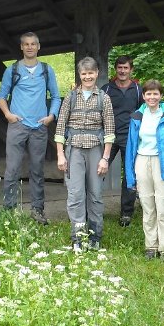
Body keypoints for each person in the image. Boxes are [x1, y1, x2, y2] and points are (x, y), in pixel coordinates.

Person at [0, 32, 61, 224]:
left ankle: (37, 210)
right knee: (12, 169)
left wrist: (51, 116)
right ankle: (9, 210)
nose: (30, 47)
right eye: (26, 44)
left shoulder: (46, 70)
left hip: (39, 127)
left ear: (38, 47)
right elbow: (2, 96)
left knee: (37, 170)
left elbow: (56, 96)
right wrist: (8, 115)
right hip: (18, 126)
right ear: (21, 47)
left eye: (33, 44)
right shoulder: (13, 69)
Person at [55, 57, 115, 252]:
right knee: (76, 196)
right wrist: (60, 155)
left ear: (97, 73)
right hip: (74, 151)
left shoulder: (104, 98)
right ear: (79, 75)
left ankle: (95, 237)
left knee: (96, 195)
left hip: (96, 151)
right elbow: (60, 128)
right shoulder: (70, 97)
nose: (87, 76)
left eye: (91, 73)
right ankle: (78, 239)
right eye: (84, 73)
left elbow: (110, 131)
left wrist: (105, 158)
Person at [125, 80, 164, 260]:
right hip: (142, 161)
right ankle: (151, 246)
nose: (152, 97)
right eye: (148, 94)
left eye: (155, 93)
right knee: (147, 206)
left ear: (161, 95)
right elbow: (130, 147)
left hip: (162, 163)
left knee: (163, 206)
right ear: (143, 96)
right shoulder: (137, 116)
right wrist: (130, 176)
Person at [100, 55, 143, 227]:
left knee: (129, 176)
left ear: (131, 70)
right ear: (115, 69)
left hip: (130, 138)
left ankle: (126, 213)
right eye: (120, 68)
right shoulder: (106, 89)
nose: (122, 71)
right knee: (98, 171)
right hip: (108, 137)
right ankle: (92, 208)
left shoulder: (138, 89)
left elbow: (144, 112)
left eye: (126, 68)